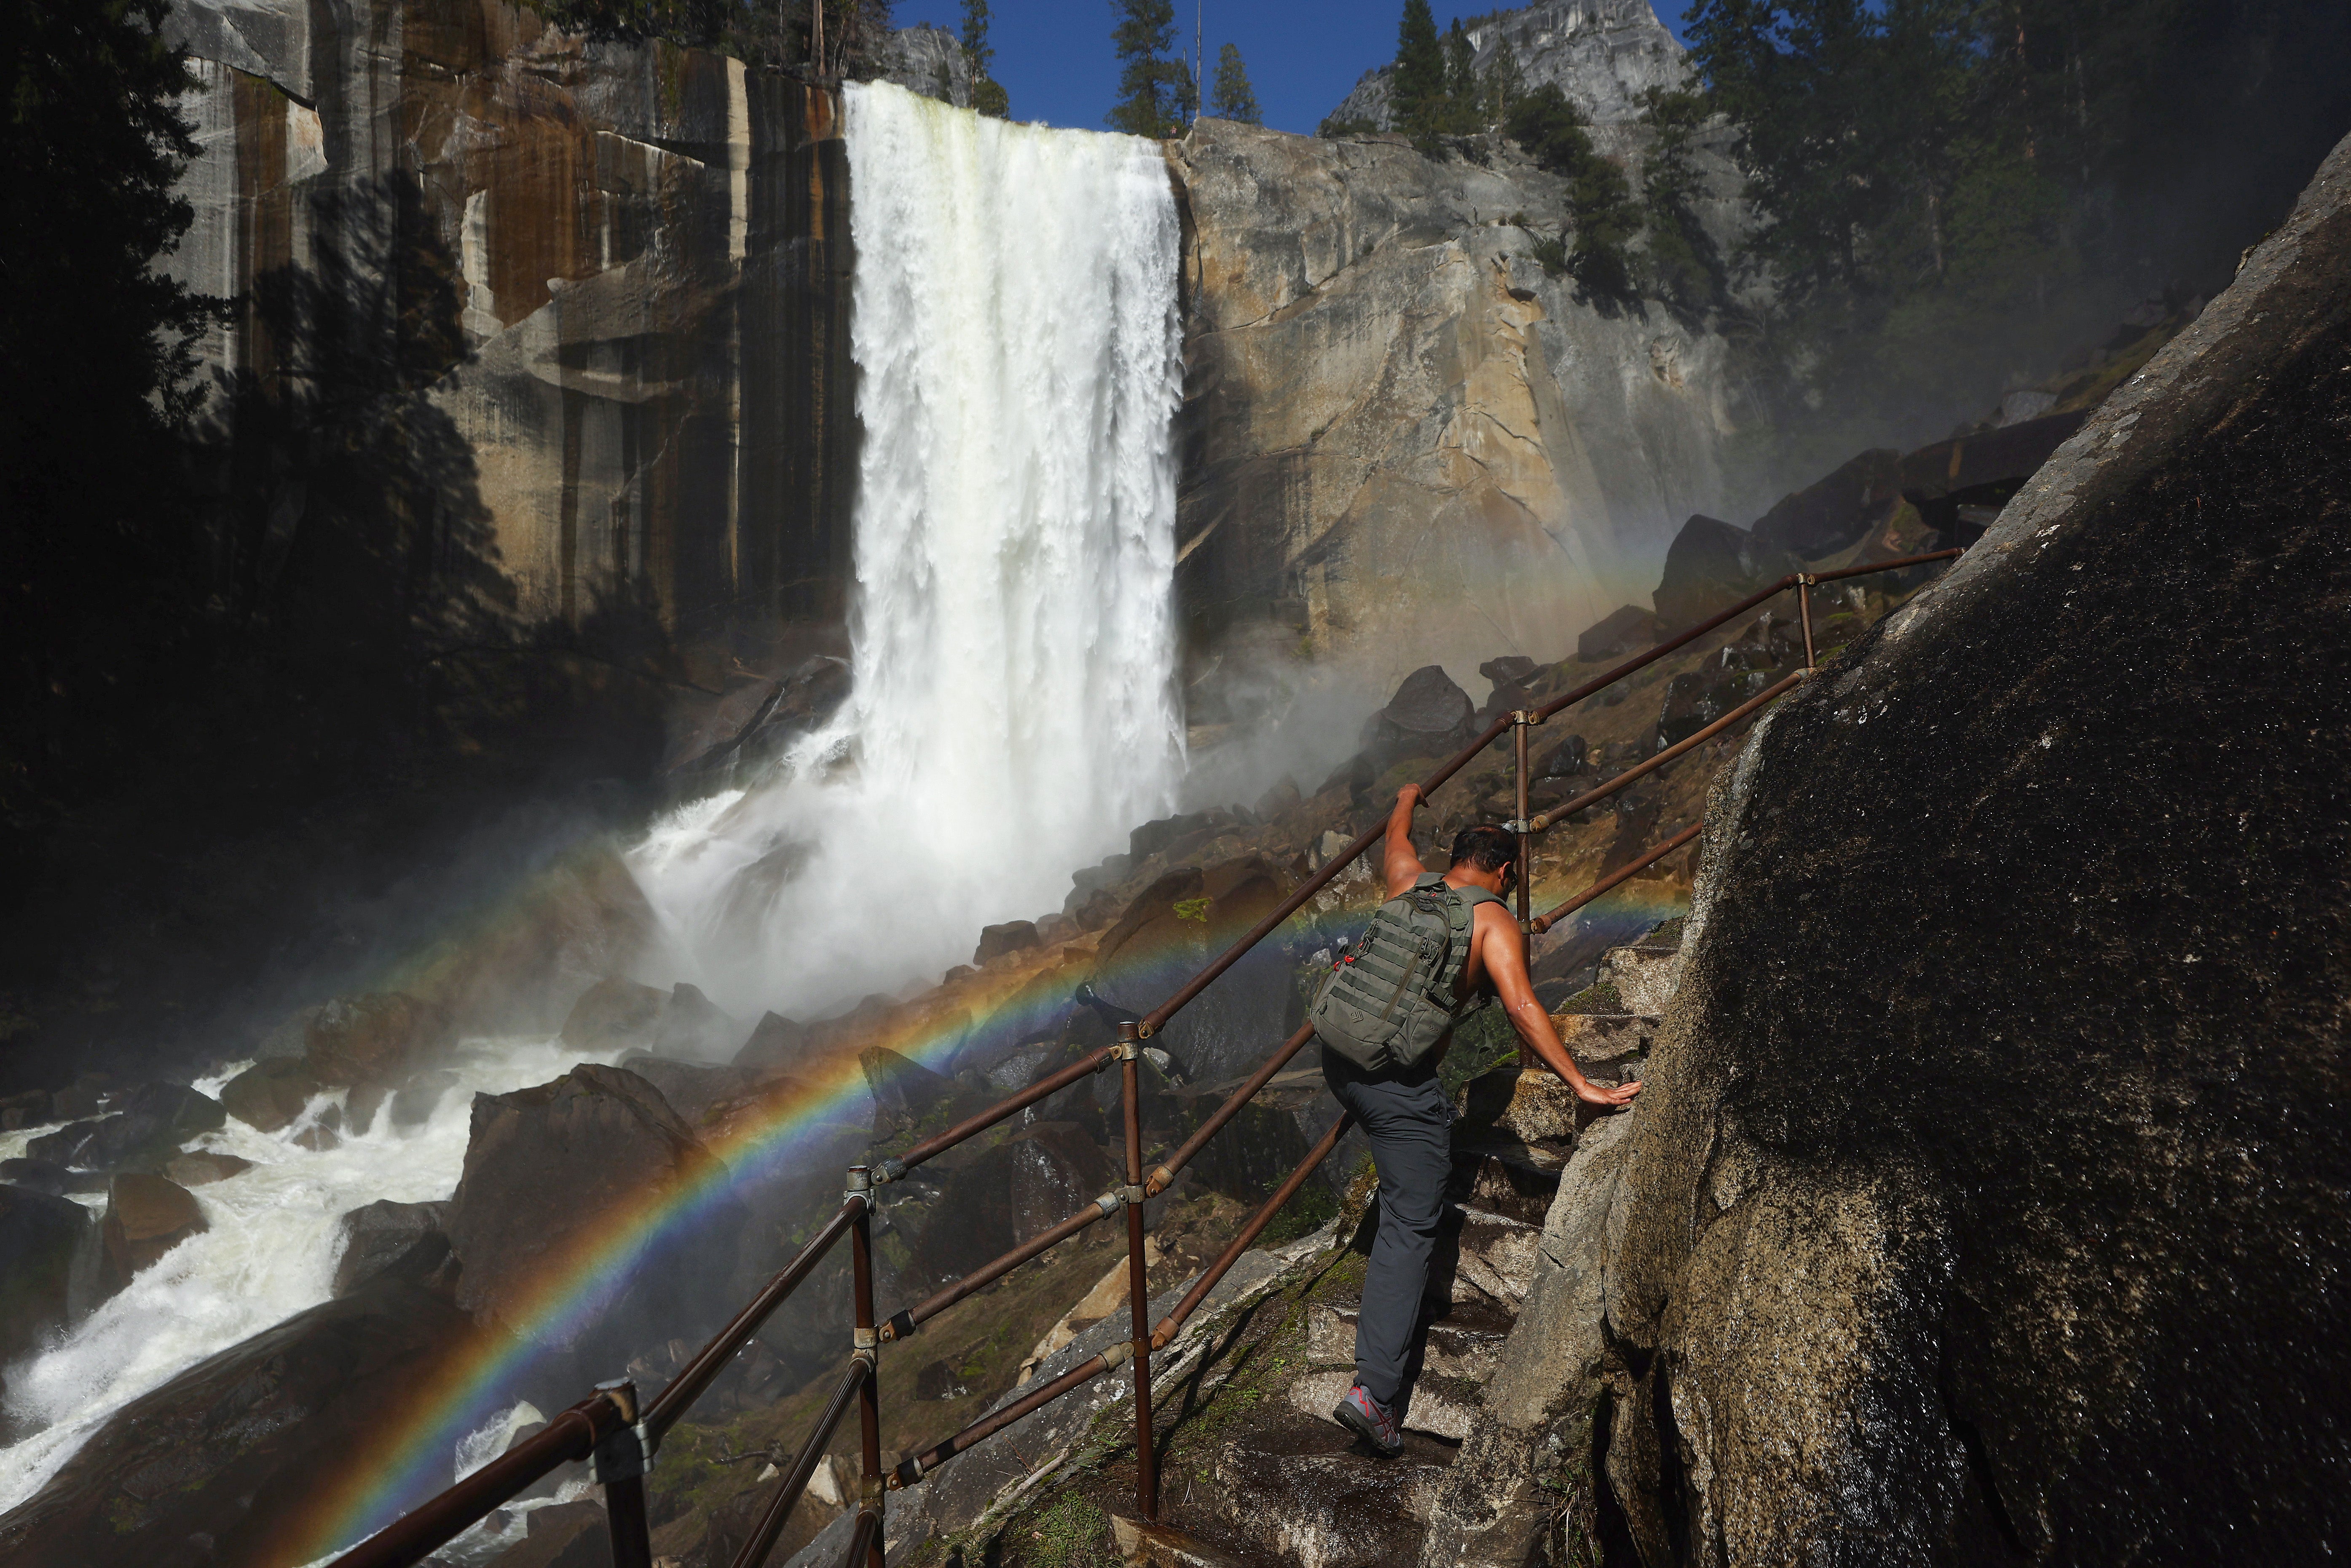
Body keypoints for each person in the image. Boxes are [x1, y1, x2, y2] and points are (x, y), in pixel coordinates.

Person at [1325, 785, 1641, 1456]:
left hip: (1339, 1059)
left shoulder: (1411, 882)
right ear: (1503, 871)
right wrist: (1581, 1084)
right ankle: (1374, 1396)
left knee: (1406, 1161)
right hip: (1396, 1085)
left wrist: (1406, 796)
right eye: (1514, 878)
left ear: (1457, 857)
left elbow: (1395, 839)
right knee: (1410, 1222)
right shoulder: (1492, 919)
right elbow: (1522, 1007)